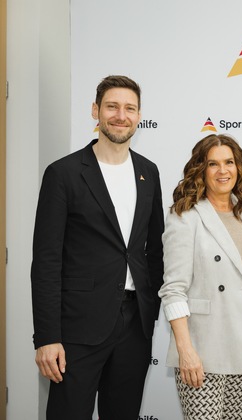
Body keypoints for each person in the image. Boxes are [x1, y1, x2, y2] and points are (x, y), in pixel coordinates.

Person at [31, 75, 165, 419]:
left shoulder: (148, 172)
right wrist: (46, 337)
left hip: (135, 326)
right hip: (77, 328)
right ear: (96, 111)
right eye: (112, 107)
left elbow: (155, 251)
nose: (121, 115)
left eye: (129, 108)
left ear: (139, 116)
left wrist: (150, 310)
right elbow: (46, 261)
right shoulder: (63, 173)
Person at [159, 134, 242, 420]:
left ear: (238, 167)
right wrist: (185, 351)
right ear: (200, 169)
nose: (222, 170)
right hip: (202, 347)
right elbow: (173, 290)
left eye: (229, 162)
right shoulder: (185, 216)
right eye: (213, 164)